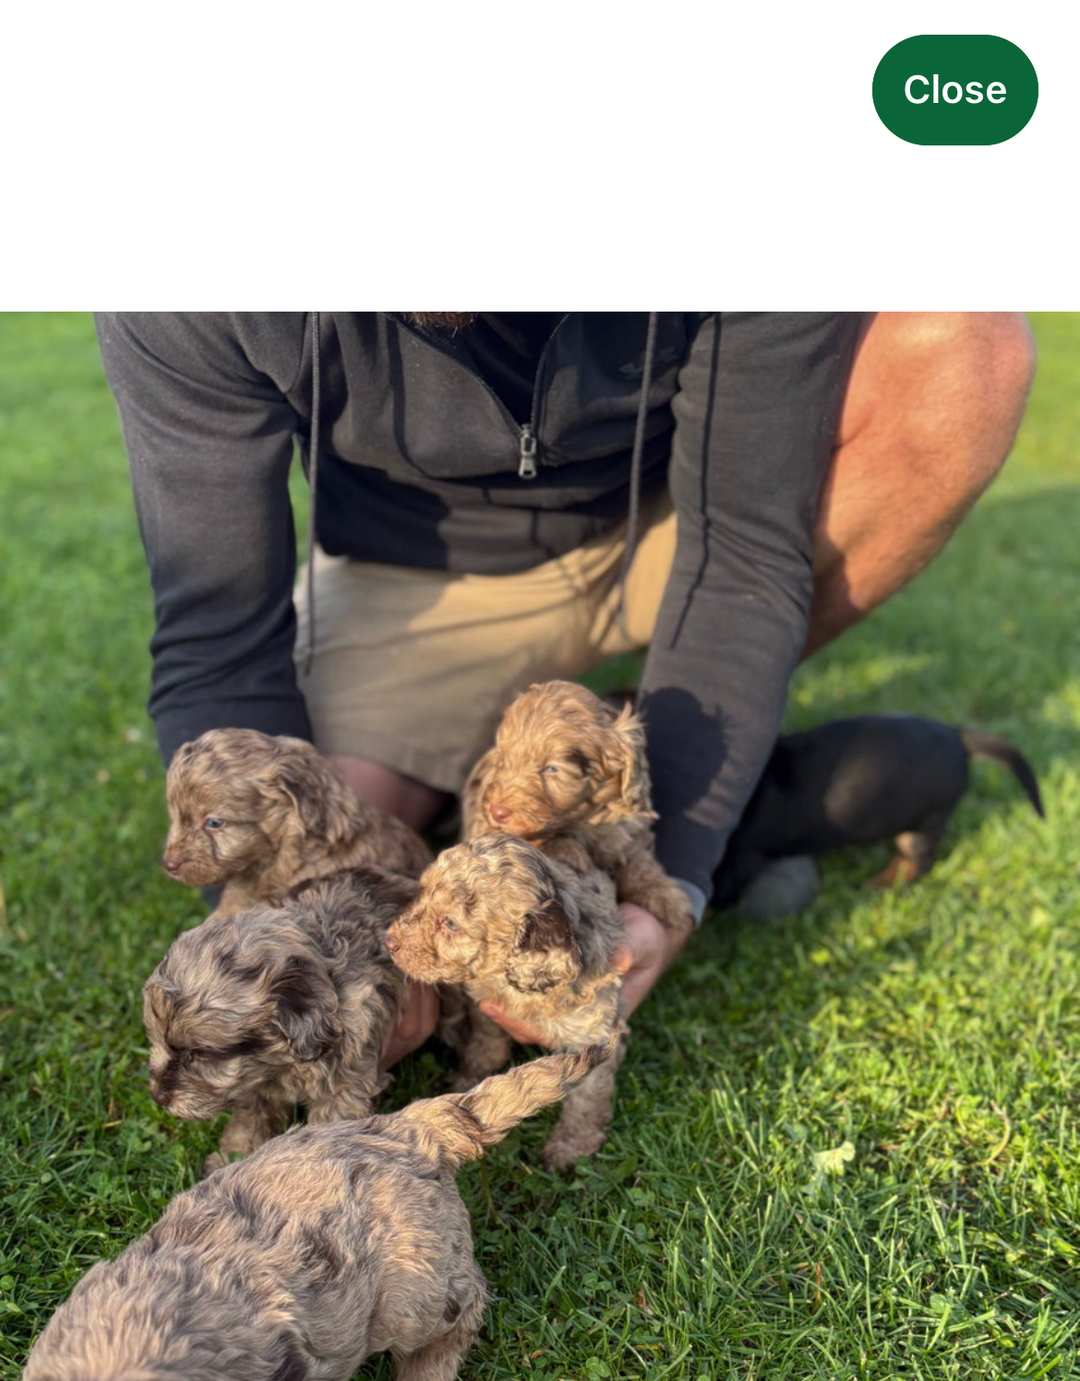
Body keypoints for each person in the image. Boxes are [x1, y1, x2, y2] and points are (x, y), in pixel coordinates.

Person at [95, 311, 1034, 1059]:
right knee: (341, 920)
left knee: (964, 349)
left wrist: (671, 878)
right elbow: (220, 636)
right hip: (418, 586)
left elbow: (745, 556)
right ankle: (637, 769)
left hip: (679, 519)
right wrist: (299, 912)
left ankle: (678, 766)